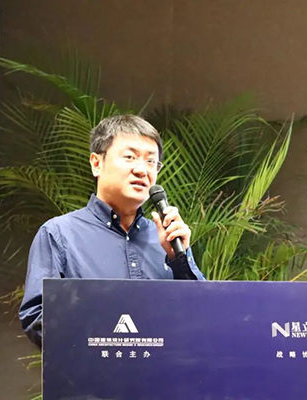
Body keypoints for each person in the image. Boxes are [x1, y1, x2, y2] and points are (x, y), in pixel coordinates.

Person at [19, 115, 205, 348]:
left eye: (151, 161)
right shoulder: (59, 235)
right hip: (90, 370)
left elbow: (204, 314)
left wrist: (179, 259)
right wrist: (104, 345)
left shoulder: (167, 239)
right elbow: (37, 317)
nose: (142, 170)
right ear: (96, 163)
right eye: (129, 157)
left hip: (164, 371)